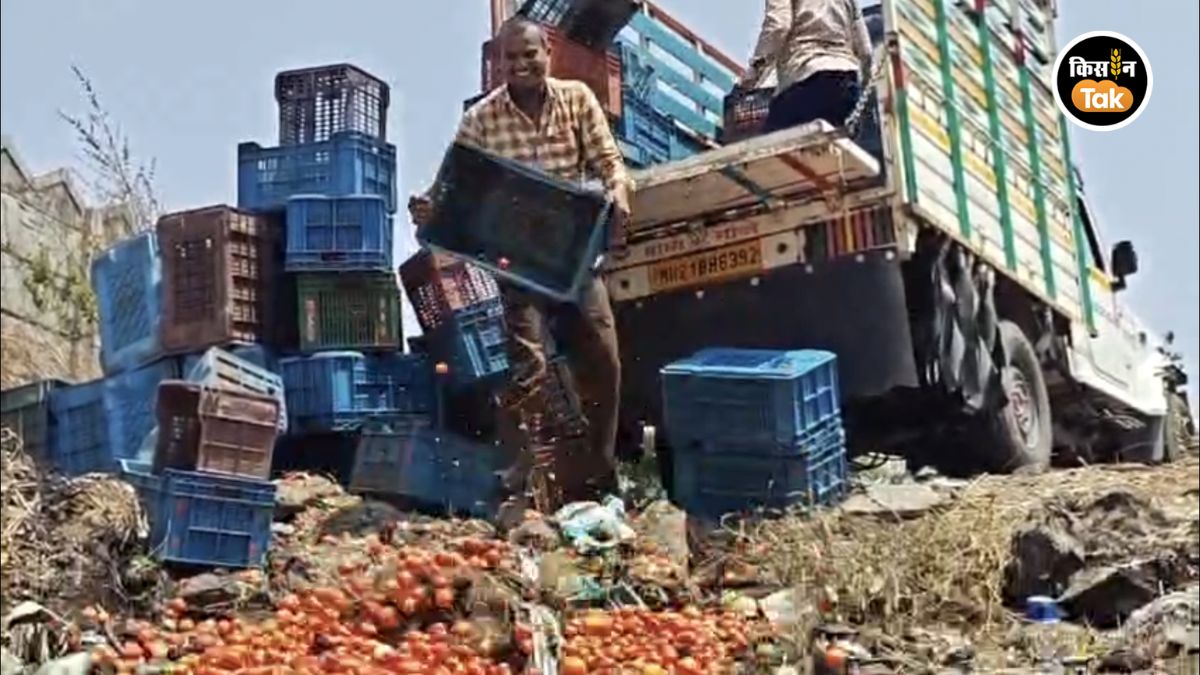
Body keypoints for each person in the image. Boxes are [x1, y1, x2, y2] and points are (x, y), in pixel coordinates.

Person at [409, 17, 632, 512]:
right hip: (516, 263)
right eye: (510, 58)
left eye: (529, 54)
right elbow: (449, 185)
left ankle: (598, 473)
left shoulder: (576, 99)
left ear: (547, 52)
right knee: (529, 369)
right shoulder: (482, 119)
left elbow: (609, 162)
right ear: (499, 64)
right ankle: (531, 475)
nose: (521, 64)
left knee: (604, 357)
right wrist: (427, 207)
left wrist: (619, 191)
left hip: (572, 257)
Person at [739, 0, 873, 134]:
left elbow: (778, 27)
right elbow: (866, 52)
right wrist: (861, 90)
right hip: (846, 84)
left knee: (770, 141)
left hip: (807, 78)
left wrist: (754, 73)